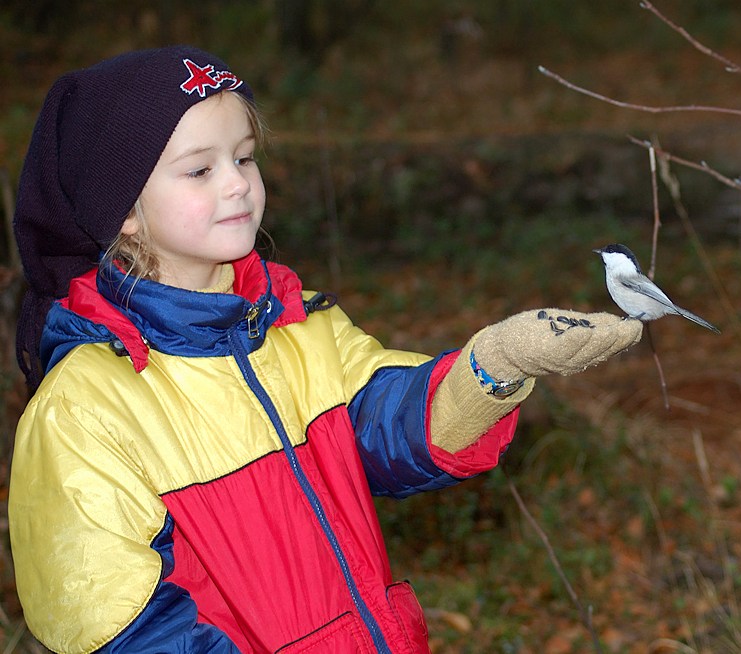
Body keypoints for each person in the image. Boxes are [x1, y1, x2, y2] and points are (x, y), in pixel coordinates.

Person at [9, 46, 642, 654]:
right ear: (122, 210)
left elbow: (388, 423)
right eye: (200, 170)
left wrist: (495, 364)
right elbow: (117, 625)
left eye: (245, 158)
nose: (237, 185)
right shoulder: (86, 408)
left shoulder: (297, 326)